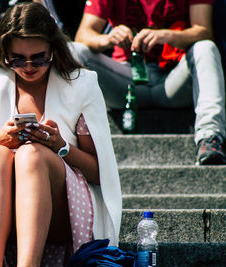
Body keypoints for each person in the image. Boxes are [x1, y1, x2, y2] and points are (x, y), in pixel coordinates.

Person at [0, 2, 122, 266]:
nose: (29, 66)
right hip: (1, 210)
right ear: (4, 53)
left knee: (31, 154)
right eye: (17, 59)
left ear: (54, 49)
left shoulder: (81, 83)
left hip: (65, 212)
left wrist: (60, 146)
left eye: (39, 58)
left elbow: (101, 173)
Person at [73, 0, 226, 165]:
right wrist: (108, 39)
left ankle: (210, 138)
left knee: (205, 47)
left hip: (173, 80)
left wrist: (166, 35)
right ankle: (68, 140)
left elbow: (204, 31)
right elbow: (83, 35)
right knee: (73, 51)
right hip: (127, 84)